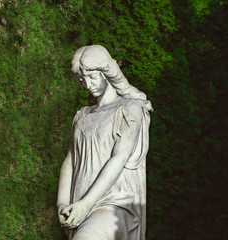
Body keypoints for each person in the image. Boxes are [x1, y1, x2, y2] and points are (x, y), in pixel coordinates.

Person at [57, 45, 151, 240]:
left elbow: (119, 157)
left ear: (107, 72)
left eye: (92, 77)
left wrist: (87, 204)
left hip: (112, 202)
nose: (88, 84)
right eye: (82, 80)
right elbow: (71, 161)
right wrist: (62, 204)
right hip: (80, 200)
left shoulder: (129, 109)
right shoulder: (82, 115)